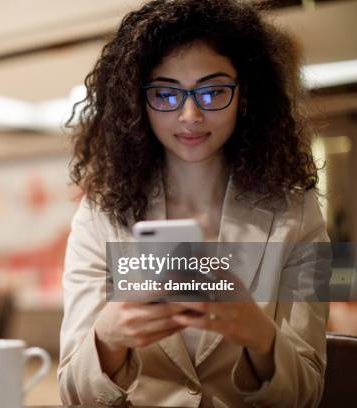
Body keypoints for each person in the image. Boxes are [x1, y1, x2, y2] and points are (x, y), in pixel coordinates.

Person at [58, 1, 329, 407]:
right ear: (137, 101)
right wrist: (108, 339)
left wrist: (260, 335)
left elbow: (309, 390)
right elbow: (71, 392)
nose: (190, 115)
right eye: (165, 94)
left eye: (213, 90)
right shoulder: (98, 215)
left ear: (245, 94)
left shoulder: (300, 211)